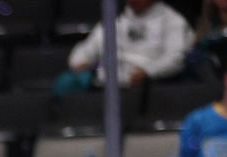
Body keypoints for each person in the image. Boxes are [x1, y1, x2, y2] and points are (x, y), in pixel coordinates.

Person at [59, 0, 192, 95]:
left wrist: (148, 72)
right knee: (67, 82)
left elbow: (175, 59)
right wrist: (83, 63)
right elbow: (80, 55)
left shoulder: (172, 20)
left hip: (148, 88)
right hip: (106, 87)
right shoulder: (115, 19)